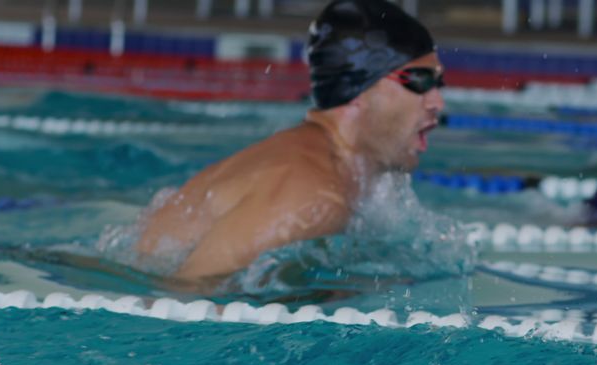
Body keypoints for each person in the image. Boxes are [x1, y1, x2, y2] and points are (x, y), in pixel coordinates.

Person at [135, 0, 445, 282]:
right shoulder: (313, 198)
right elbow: (185, 295)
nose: (437, 103)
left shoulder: (339, 178)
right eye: (421, 80)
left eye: (438, 83)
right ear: (358, 89)